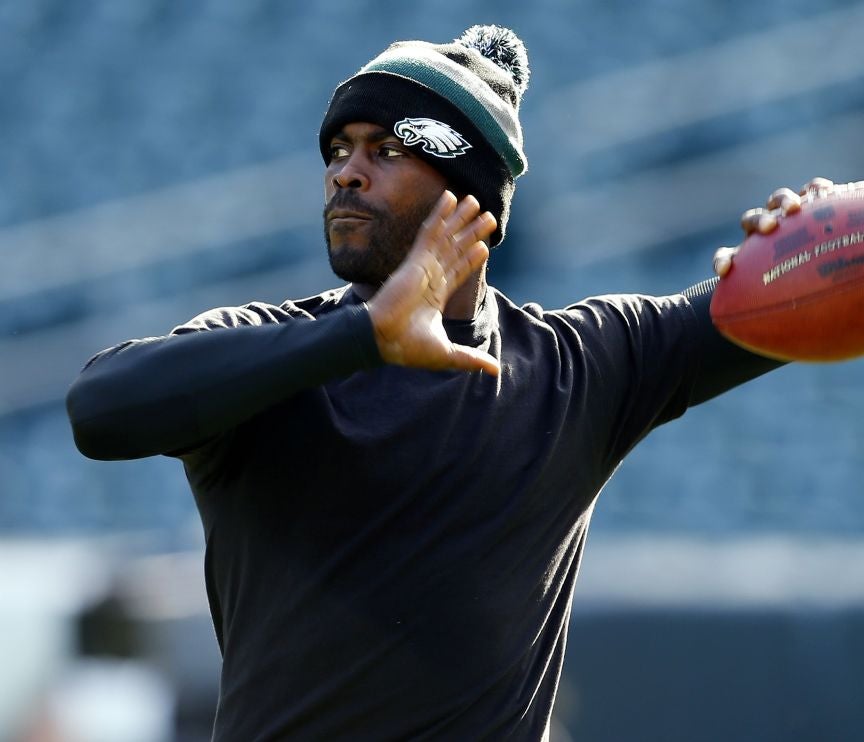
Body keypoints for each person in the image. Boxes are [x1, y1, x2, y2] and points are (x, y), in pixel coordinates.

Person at [67, 25, 823, 741]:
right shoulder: (275, 353)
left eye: (386, 148)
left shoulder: (579, 368)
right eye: (337, 149)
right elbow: (98, 410)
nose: (344, 171)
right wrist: (358, 337)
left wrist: (808, 237)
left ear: (471, 195)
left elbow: (794, 300)